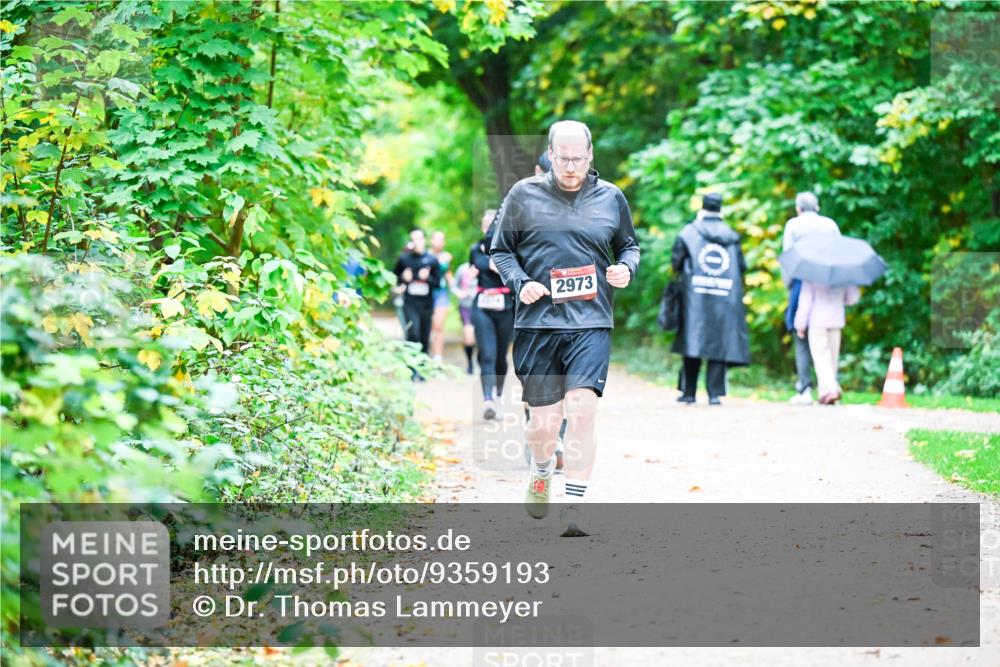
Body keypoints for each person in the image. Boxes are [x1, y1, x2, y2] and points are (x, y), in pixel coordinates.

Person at [491, 120, 640, 536]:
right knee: (543, 425)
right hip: (538, 324)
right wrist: (521, 282)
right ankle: (542, 469)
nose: (571, 167)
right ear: (550, 156)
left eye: (578, 159)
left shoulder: (611, 197)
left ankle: (574, 506)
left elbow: (629, 245)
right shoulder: (523, 195)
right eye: (563, 159)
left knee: (582, 410)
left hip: (591, 321)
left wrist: (626, 268)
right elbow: (501, 251)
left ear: (590, 156)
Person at [670, 192, 750, 405]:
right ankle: (714, 395)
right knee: (719, 342)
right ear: (720, 209)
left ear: (702, 207)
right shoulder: (731, 235)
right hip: (725, 296)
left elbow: (676, 262)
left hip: (693, 297)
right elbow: (742, 266)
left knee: (692, 340)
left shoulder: (689, 232)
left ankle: (689, 393)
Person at [782, 191, 841, 405]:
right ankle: (829, 385)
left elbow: (788, 257)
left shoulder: (793, 225)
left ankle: (805, 388)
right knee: (830, 339)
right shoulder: (830, 224)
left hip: (801, 280)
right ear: (817, 207)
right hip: (829, 280)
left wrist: (789, 284)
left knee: (800, 333)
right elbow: (840, 252)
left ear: (798, 208)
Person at [470, 208, 515, 420]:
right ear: (482, 228)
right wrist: (493, 264)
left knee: (500, 356)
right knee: (487, 353)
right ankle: (488, 400)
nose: (490, 229)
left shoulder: (511, 247)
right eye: (486, 226)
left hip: (506, 307)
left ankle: (498, 395)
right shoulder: (476, 248)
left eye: (493, 225)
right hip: (482, 307)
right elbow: (482, 264)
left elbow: (505, 269)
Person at [794, 280, 860, 404]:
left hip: (817, 323)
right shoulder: (843, 275)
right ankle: (825, 393)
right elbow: (853, 298)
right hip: (836, 321)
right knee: (832, 360)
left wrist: (800, 326)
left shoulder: (810, 276)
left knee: (821, 360)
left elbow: (805, 303)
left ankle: (832, 389)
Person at [393, 230, 441, 368]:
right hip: (410, 304)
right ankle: (411, 367)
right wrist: (403, 277)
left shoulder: (432, 260)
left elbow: (438, 283)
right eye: (413, 239)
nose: (417, 242)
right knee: (413, 332)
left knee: (424, 336)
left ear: (424, 240)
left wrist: (428, 278)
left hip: (426, 305)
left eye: (419, 239)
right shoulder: (404, 259)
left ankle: (422, 366)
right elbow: (394, 278)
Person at [451, 257, 479, 375]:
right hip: (466, 306)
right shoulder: (462, 269)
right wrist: (459, 293)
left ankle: (481, 360)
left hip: (481, 307)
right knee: (469, 337)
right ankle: (470, 363)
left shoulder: (484, 267)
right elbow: (454, 286)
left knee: (481, 336)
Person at [429, 231, 453, 363]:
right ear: (431, 240)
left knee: (438, 324)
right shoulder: (425, 255)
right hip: (426, 294)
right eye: (436, 239)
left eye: (441, 240)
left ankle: (438, 357)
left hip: (441, 293)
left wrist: (458, 289)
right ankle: (427, 354)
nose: (439, 242)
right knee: (429, 325)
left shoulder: (447, 256)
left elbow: (448, 274)